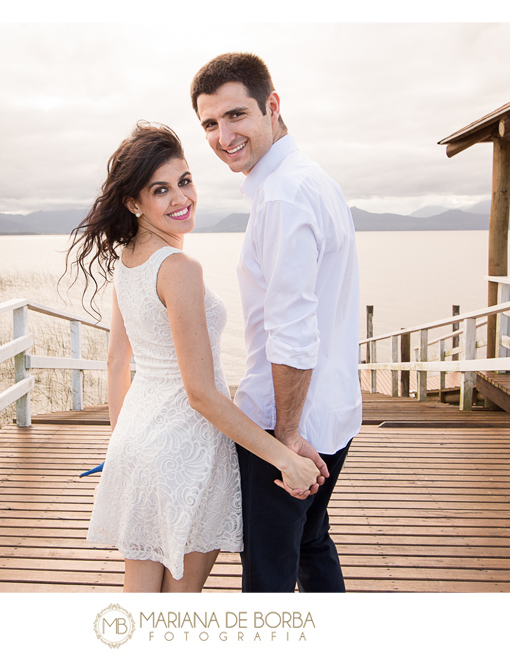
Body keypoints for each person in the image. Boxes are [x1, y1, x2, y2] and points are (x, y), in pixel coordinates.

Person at [65, 122, 324, 593]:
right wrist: (284, 458)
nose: (181, 198)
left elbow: (115, 362)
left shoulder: (128, 260)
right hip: (186, 450)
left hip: (138, 441)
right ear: (133, 203)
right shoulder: (179, 268)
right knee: (179, 606)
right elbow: (202, 393)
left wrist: (121, 446)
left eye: (184, 181)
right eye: (160, 190)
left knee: (142, 601)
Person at [191, 53, 362, 592]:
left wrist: (284, 437)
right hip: (332, 412)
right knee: (312, 542)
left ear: (272, 106)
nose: (223, 136)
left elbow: (291, 330)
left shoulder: (284, 196)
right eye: (210, 125)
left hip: (288, 422)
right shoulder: (311, 180)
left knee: (267, 573)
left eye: (236, 115)